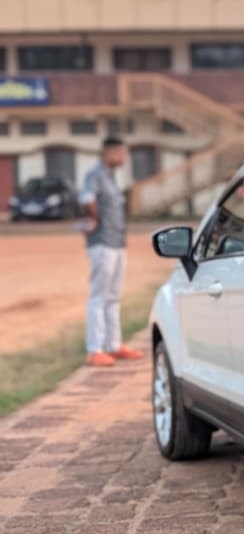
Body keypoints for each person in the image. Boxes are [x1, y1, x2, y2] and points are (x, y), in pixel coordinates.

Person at [79, 136, 144, 367]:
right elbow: (86, 199)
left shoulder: (110, 178)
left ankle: (113, 345)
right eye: (122, 153)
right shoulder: (95, 175)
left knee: (113, 296)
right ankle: (94, 349)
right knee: (99, 296)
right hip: (102, 242)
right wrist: (95, 219)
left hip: (117, 242)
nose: (124, 158)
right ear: (109, 152)